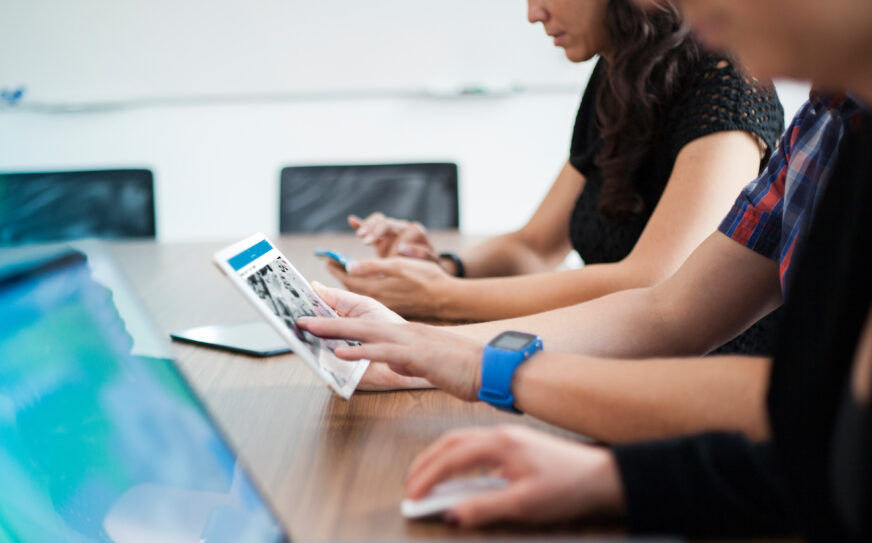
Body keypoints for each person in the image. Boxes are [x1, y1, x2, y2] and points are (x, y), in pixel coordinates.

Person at [333, 0, 872, 543]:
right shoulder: (833, 120)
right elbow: (674, 316)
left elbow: (796, 400)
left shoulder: (735, 90)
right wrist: (605, 472)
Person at [299, 90, 863, 443]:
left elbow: (822, 402)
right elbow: (666, 312)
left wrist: (450, 317)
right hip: (749, 456)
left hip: (714, 425)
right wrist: (417, 349)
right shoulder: (820, 124)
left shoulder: (730, 95)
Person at [329, 0, 783, 344]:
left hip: (701, 399)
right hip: (616, 367)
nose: (533, 13)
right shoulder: (619, 71)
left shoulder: (727, 83)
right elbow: (535, 246)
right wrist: (440, 267)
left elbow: (653, 283)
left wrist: (439, 295)